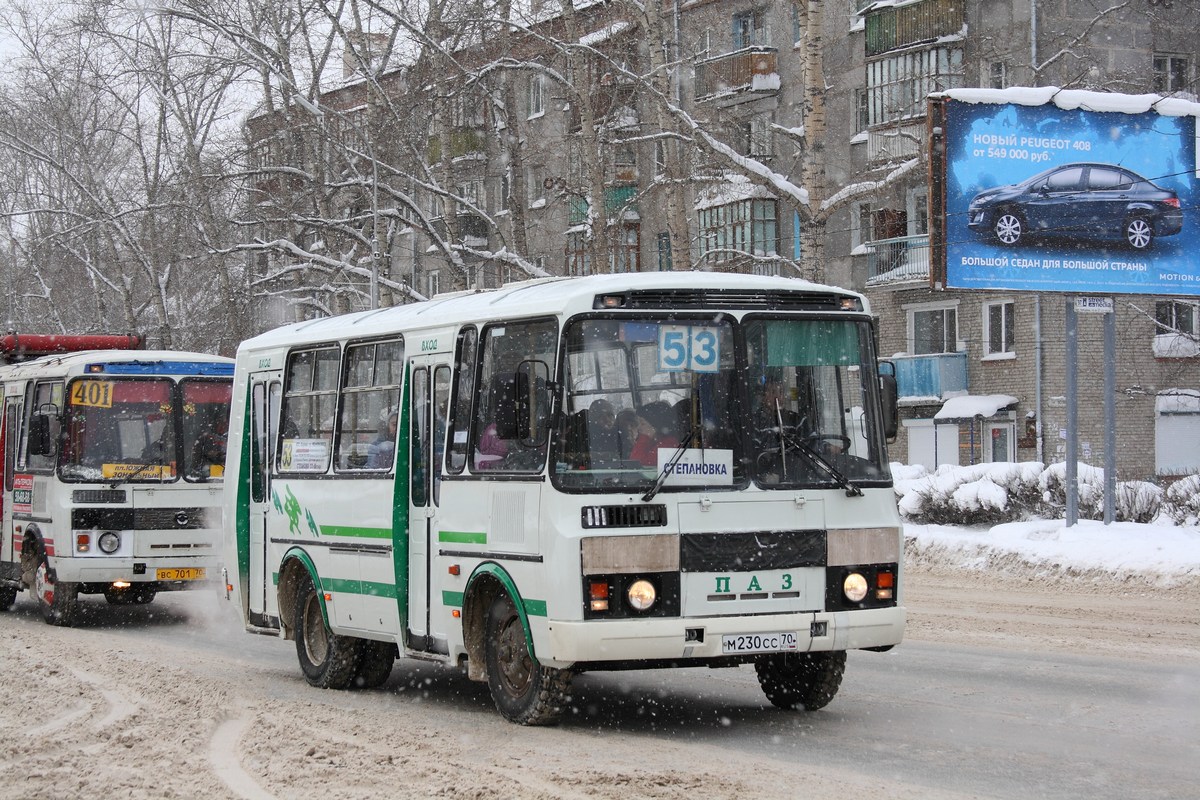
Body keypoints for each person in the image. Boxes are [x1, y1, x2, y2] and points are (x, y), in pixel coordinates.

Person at [628, 402, 680, 466]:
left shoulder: (669, 443)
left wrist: (643, 438)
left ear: (656, 426)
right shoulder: (653, 441)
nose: (639, 427)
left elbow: (638, 463)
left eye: (643, 424)